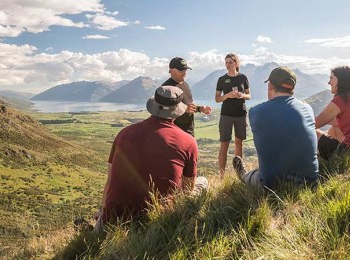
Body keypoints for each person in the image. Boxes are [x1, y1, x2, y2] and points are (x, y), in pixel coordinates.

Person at [94, 85, 208, 233]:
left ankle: (94, 227)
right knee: (203, 182)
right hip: (157, 224)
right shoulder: (187, 141)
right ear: (177, 110)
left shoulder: (124, 134)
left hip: (112, 221)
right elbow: (187, 191)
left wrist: (104, 213)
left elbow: (109, 182)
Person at [232, 66, 319, 191]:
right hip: (309, 183)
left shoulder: (256, 112)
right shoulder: (308, 109)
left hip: (271, 185)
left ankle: (244, 176)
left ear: (270, 86)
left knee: (252, 176)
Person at [215, 53, 251, 176]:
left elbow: (249, 95)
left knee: (238, 142)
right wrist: (228, 95)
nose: (228, 65)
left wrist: (242, 95)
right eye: (226, 62)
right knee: (224, 143)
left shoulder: (243, 78)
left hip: (240, 114)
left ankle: (240, 174)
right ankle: (222, 175)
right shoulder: (222, 79)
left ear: (236, 63)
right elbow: (217, 99)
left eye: (230, 62)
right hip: (226, 115)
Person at [162, 57, 212, 136]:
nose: (185, 73)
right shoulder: (165, 88)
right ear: (170, 70)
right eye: (181, 70)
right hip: (175, 134)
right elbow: (163, 110)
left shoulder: (185, 84)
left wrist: (200, 108)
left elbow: (188, 106)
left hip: (189, 132)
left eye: (185, 70)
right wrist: (184, 109)